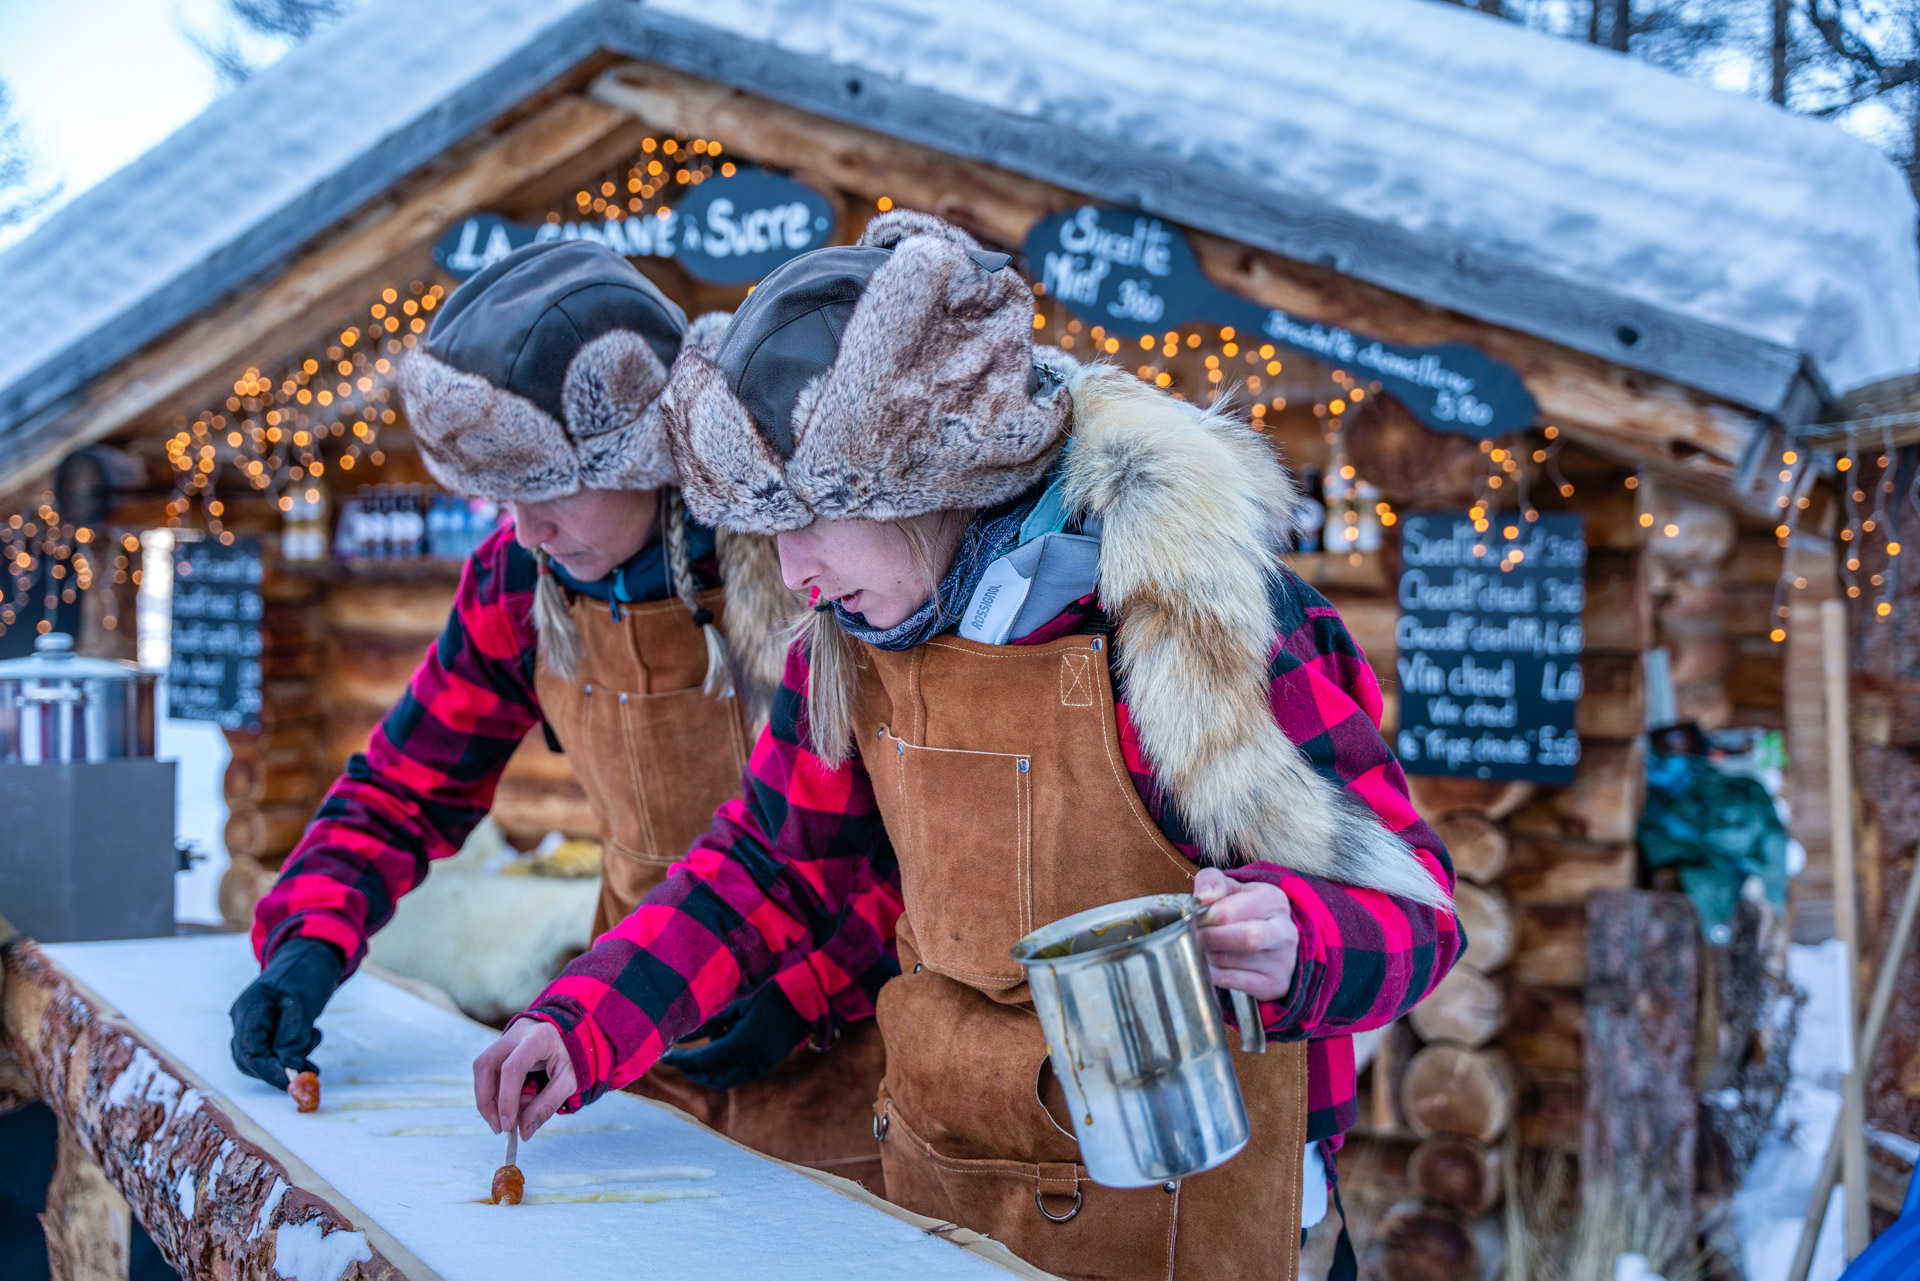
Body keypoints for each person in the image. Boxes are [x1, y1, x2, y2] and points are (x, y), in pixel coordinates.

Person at [472, 213, 1462, 1280]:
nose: (792, 569)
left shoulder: (1200, 619)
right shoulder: (852, 637)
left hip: (1197, 1214)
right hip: (943, 1195)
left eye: (812, 516)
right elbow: (767, 866)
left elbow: (1416, 915)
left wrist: (1301, 940)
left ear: (932, 474)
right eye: (766, 527)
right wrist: (583, 1023)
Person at [228, 240, 899, 1191]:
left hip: (847, 1046)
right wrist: (306, 939)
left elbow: (909, 830)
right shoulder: (520, 584)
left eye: (546, 488)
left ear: (644, 449)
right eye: (502, 495)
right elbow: (402, 790)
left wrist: (809, 988)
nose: (523, 525)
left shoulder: (810, 564)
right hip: (628, 1030)